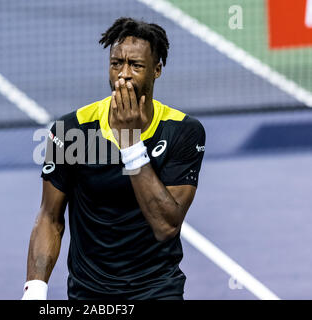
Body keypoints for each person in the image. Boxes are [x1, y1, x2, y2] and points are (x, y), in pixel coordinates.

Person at [22, 17, 206, 300]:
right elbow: (50, 217)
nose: (123, 74)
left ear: (157, 70)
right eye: (116, 63)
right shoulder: (72, 131)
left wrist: (131, 144)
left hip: (157, 290)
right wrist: (34, 290)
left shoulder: (182, 131)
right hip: (90, 294)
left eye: (136, 65)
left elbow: (166, 225)